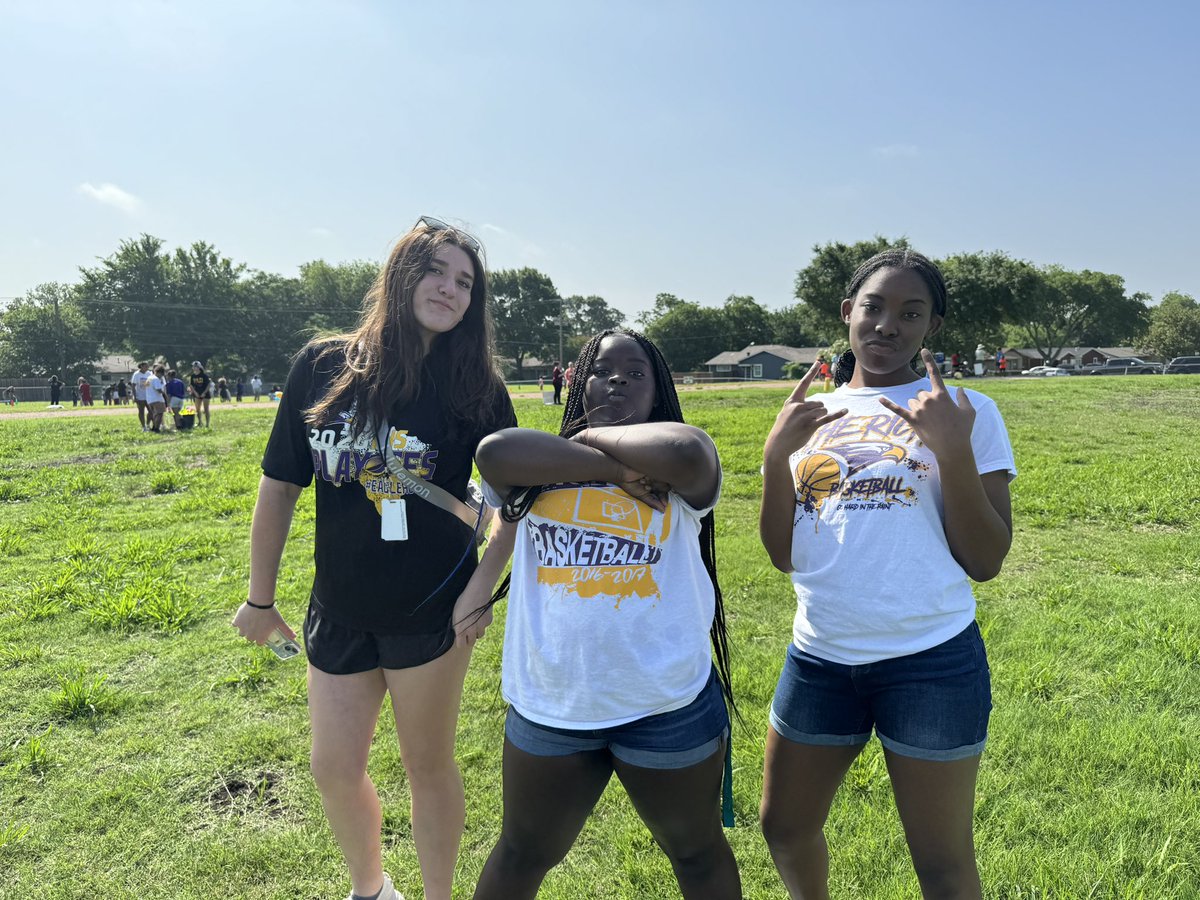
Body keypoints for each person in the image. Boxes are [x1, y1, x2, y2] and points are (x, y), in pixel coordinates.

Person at [232, 216, 516, 900]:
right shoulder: (324, 366)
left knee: (428, 766)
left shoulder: (476, 385)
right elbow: (279, 485)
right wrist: (260, 599)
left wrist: (479, 590)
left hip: (432, 610)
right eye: (435, 271)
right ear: (399, 274)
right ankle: (372, 889)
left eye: (465, 282)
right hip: (342, 606)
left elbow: (516, 507)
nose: (450, 289)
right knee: (332, 767)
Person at [758, 249, 1015, 899]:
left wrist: (951, 451)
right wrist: (772, 458)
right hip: (820, 657)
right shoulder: (812, 416)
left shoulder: (965, 409)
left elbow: (985, 561)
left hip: (930, 662)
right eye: (873, 307)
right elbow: (783, 553)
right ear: (848, 313)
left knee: (941, 862)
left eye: (910, 313)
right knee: (783, 827)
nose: (886, 326)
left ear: (933, 326)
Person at [471, 327, 741, 900]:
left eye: (636, 372)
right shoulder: (536, 466)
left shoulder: (679, 468)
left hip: (665, 702)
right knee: (521, 852)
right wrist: (611, 469)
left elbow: (687, 452)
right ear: (578, 383)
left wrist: (592, 440)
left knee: (696, 854)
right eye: (602, 370)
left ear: (657, 391)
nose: (617, 378)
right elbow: (494, 453)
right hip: (553, 703)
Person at [188, 361, 213, 427]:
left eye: (196, 366)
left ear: (199, 367)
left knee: (206, 409)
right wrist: (195, 393)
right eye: (193, 366)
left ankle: (207, 424)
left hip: (205, 394)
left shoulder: (204, 375)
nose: (194, 368)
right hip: (197, 394)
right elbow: (191, 385)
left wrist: (204, 393)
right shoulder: (193, 376)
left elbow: (208, 384)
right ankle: (200, 422)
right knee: (198, 409)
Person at [145, 365, 168, 432]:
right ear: (160, 373)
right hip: (157, 399)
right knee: (160, 413)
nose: (161, 376)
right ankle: (156, 428)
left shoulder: (149, 378)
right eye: (162, 374)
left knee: (154, 414)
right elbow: (158, 389)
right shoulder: (156, 379)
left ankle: (154, 427)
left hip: (149, 399)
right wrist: (164, 394)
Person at [131, 363, 152, 429]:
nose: (147, 368)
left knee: (151, 411)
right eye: (146, 366)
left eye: (147, 366)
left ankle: (148, 424)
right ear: (141, 366)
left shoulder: (149, 373)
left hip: (149, 396)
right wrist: (134, 396)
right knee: (141, 411)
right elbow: (133, 386)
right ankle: (143, 426)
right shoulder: (136, 374)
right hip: (140, 396)